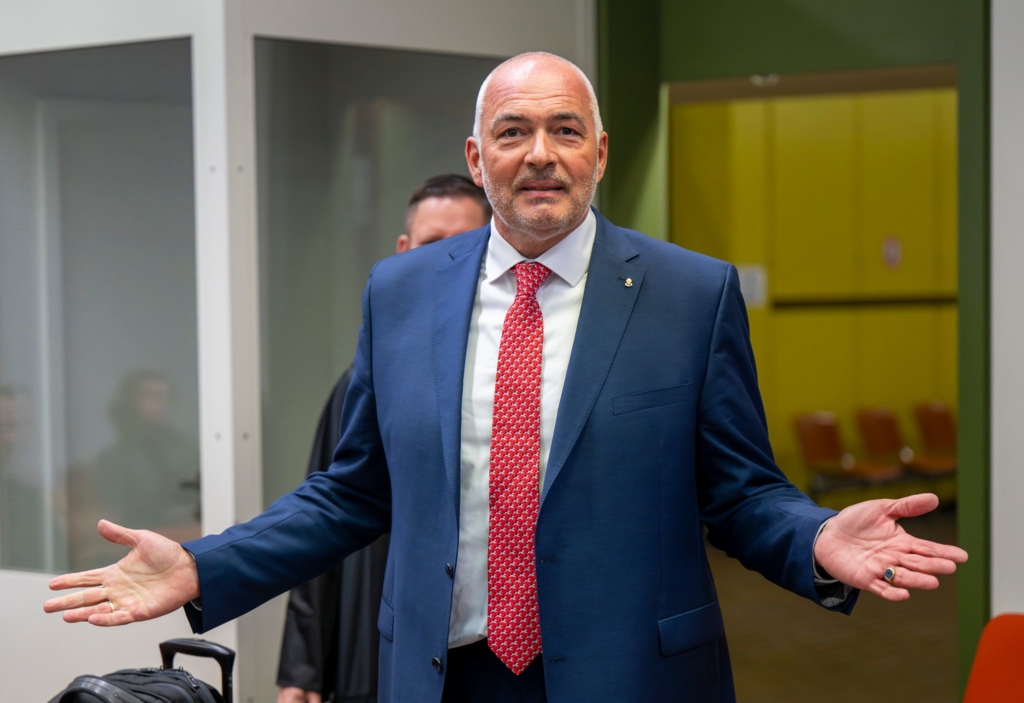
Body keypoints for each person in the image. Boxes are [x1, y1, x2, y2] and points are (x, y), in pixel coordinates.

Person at [45, 53, 968, 703]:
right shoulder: (401, 292)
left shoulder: (692, 294)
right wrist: (203, 565)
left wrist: (815, 537)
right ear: (477, 156)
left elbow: (739, 491)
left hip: (631, 677)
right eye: (513, 131)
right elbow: (352, 491)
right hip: (441, 674)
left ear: (599, 151)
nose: (540, 153)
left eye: (565, 130)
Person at [277, 175, 491, 703]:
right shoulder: (369, 376)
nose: (446, 259)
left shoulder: (510, 373)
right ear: (403, 250)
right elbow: (328, 509)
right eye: (430, 243)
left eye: (462, 243)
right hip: (372, 639)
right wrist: (302, 669)